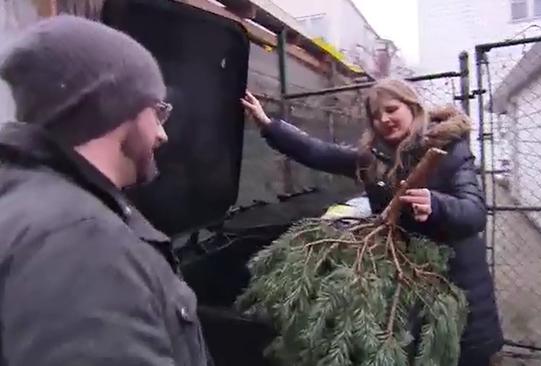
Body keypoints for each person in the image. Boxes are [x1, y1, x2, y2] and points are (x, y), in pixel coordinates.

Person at [241, 79, 503, 366]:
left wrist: (438, 204)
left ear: (413, 107)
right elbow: (318, 152)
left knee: (465, 355)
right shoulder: (372, 160)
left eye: (392, 109)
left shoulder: (449, 150)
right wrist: (269, 125)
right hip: (406, 284)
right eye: (376, 116)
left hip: (458, 283)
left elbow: (474, 212)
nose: (384, 120)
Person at [0, 15, 210, 366]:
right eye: (157, 112)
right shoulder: (81, 242)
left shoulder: (32, 202)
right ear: (118, 106)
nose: (162, 134)